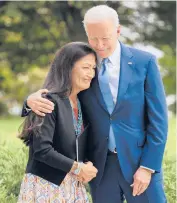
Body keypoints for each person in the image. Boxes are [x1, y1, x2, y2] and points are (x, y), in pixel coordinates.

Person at [22, 5, 168, 203]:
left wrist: (147, 167)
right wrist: (29, 102)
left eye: (105, 38)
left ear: (118, 31)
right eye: (93, 38)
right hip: (100, 168)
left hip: (140, 165)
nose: (99, 45)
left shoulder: (145, 62)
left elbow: (158, 120)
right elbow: (58, 92)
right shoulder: (83, 64)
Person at [18, 42, 98, 203]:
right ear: (68, 67)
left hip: (73, 185)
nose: (91, 74)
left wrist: (87, 166)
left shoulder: (83, 104)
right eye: (86, 67)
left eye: (94, 68)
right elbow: (42, 150)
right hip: (46, 186)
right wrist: (78, 168)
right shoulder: (47, 101)